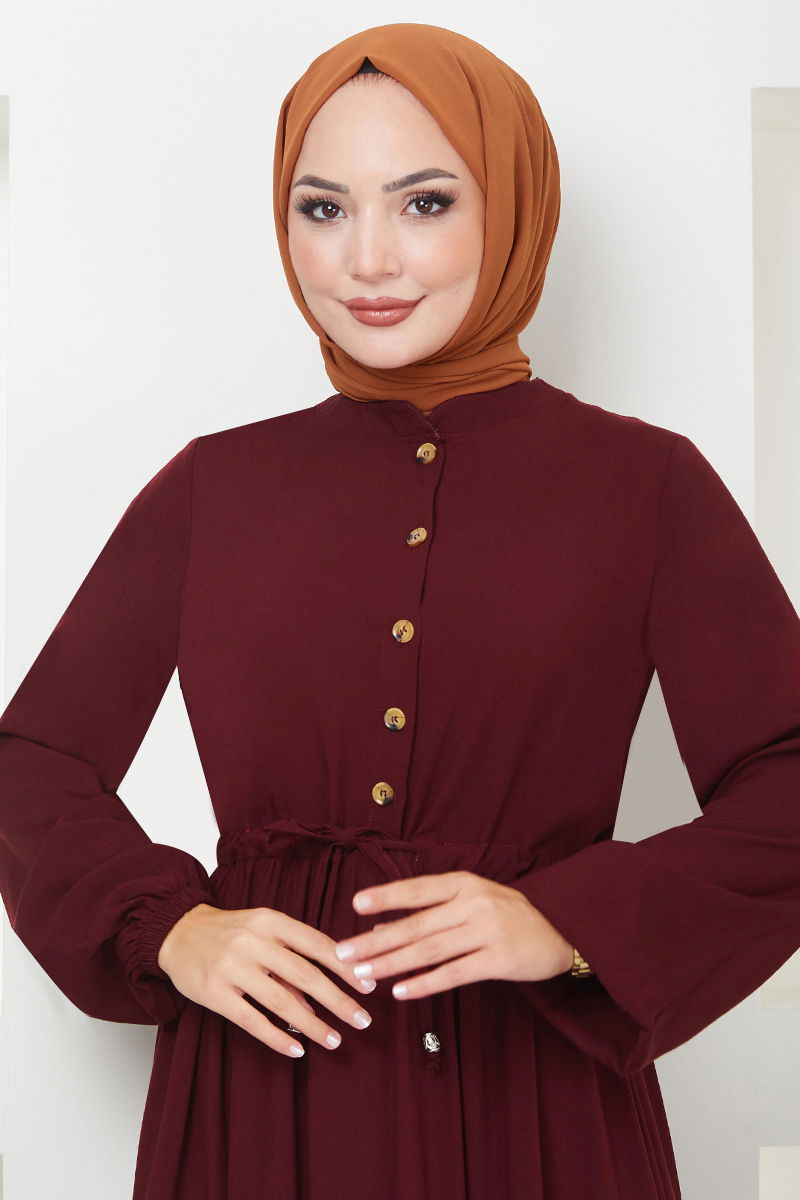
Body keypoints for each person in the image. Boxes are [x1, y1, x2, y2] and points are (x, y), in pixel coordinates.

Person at [1, 19, 799, 1200]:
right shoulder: (214, 487)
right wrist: (167, 927)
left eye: (425, 203)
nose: (366, 260)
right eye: (321, 209)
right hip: (262, 1094)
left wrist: (572, 924)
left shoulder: (646, 485)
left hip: (534, 1091)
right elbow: (34, 758)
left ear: (511, 207)